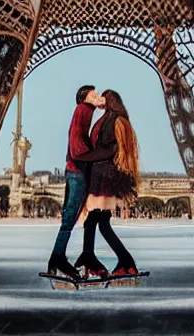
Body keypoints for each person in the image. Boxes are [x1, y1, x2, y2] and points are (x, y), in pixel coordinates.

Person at [75, 89, 140, 278]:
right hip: (105, 175)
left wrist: (86, 157)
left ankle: (95, 258)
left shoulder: (115, 121)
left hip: (103, 175)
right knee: (100, 222)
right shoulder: (117, 120)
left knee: (96, 220)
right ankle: (122, 261)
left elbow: (110, 148)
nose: (100, 100)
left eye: (104, 97)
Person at [47, 85, 109, 280]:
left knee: (70, 217)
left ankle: (57, 258)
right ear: (85, 97)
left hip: (75, 169)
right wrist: (91, 157)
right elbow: (76, 142)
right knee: (70, 217)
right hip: (78, 170)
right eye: (93, 93)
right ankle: (57, 258)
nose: (97, 96)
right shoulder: (82, 110)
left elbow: (76, 139)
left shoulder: (85, 111)